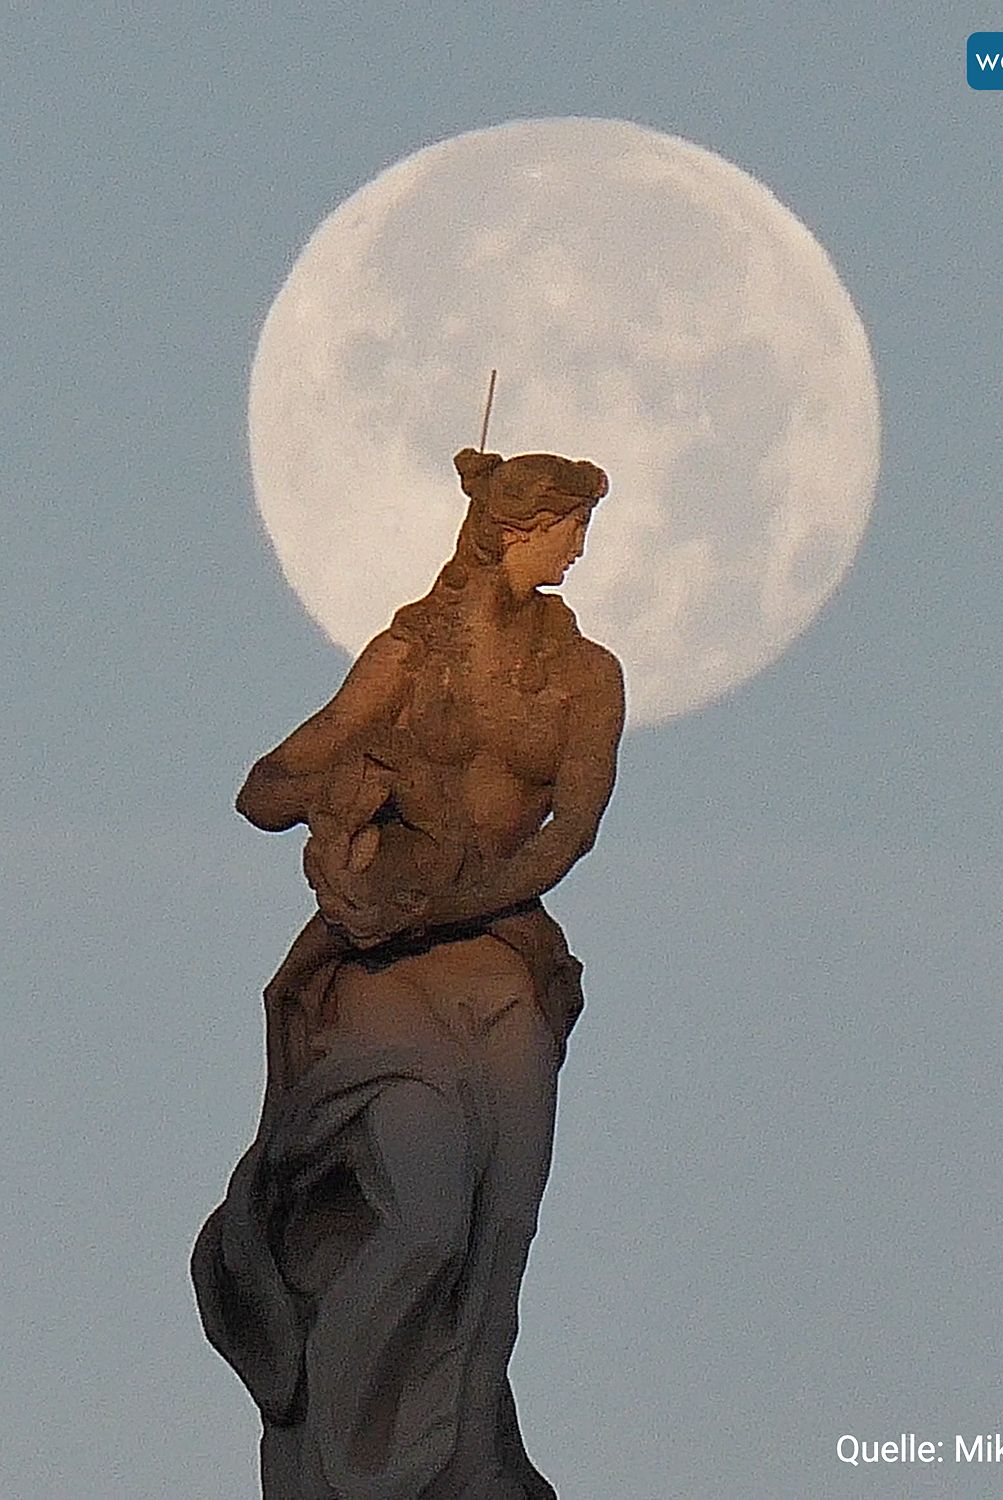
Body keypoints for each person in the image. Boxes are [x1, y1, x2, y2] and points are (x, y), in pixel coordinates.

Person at [192, 447, 624, 1500]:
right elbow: (267, 786)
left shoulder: (585, 676)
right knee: (425, 1218)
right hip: (387, 975)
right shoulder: (407, 656)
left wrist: (455, 900)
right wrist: (351, 785)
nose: (580, 543)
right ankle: (343, 1460)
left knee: (498, 1236)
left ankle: (464, 1458)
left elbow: (570, 832)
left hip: (503, 966)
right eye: (570, 524)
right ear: (522, 530)